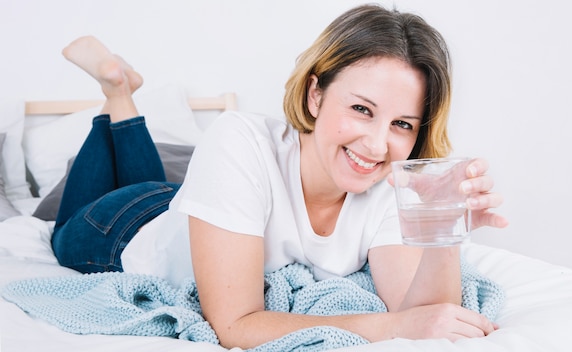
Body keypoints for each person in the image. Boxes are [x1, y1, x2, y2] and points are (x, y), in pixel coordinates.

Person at [51, 4, 508, 349]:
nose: (376, 145)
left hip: (199, 209)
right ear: (315, 94)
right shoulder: (238, 138)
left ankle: (121, 92)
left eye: (402, 124)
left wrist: (445, 227)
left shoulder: (391, 180)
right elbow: (234, 325)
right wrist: (388, 327)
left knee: (160, 180)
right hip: (121, 228)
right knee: (61, 223)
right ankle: (116, 92)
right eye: (361, 109)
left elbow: (426, 315)